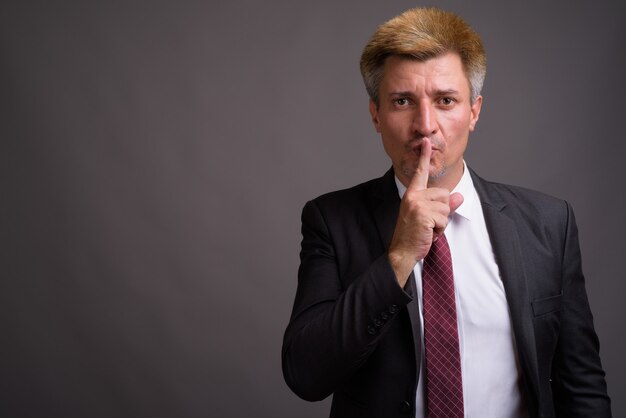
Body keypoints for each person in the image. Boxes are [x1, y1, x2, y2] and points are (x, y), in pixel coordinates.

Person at [282, 7, 611, 418]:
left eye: (445, 101)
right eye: (402, 101)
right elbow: (306, 375)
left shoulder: (548, 223)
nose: (425, 124)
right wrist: (398, 258)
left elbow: (581, 385)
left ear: (473, 112)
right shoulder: (332, 220)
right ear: (376, 115)